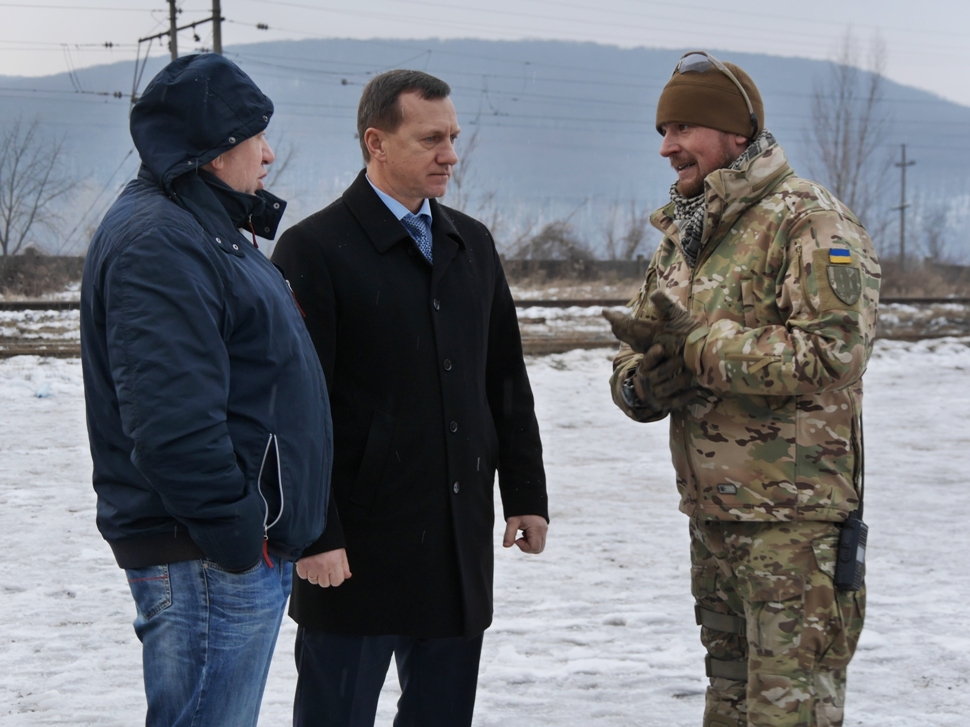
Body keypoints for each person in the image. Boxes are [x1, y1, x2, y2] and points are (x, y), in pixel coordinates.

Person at [604, 52, 880, 727]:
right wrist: (643, 383)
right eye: (663, 130)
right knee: (728, 702)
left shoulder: (809, 221)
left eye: (684, 128)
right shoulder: (683, 236)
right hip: (714, 517)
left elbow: (831, 352)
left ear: (735, 134)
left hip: (795, 525)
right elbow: (638, 347)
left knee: (792, 709)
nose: (667, 147)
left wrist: (695, 348)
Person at [271, 69, 549, 727]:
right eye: (431, 139)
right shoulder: (314, 250)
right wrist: (315, 534)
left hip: (455, 549)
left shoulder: (471, 244)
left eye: (451, 137)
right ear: (377, 142)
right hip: (352, 557)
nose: (450, 153)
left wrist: (527, 494)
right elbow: (291, 412)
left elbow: (504, 379)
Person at [80, 54, 333, 727]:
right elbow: (171, 420)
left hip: (221, 551)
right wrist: (236, 534)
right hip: (204, 554)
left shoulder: (206, 228)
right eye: (256, 135)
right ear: (214, 148)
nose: (269, 152)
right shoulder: (160, 242)